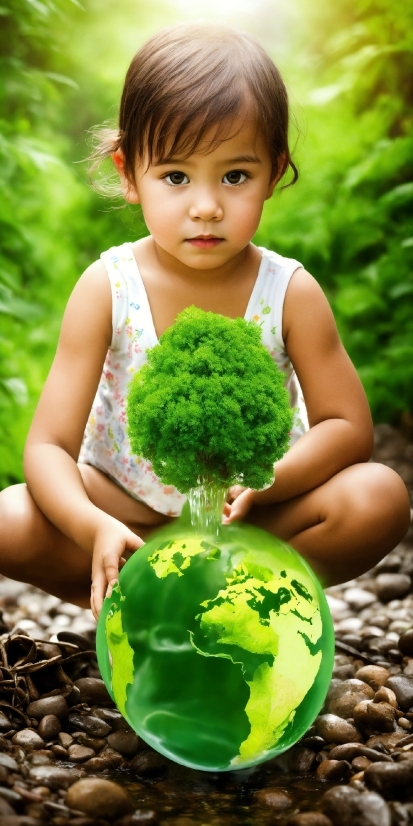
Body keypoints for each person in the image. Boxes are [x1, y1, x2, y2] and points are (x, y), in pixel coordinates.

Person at [0, 23, 410, 621]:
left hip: (251, 518)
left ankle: (248, 604)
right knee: (10, 517)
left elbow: (348, 426)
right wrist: (94, 529)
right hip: (130, 513)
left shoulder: (289, 291)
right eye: (175, 176)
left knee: (381, 497)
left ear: (274, 171)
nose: (206, 205)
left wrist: (270, 481)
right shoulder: (108, 286)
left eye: (235, 176)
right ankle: (143, 599)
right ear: (127, 172)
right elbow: (48, 448)